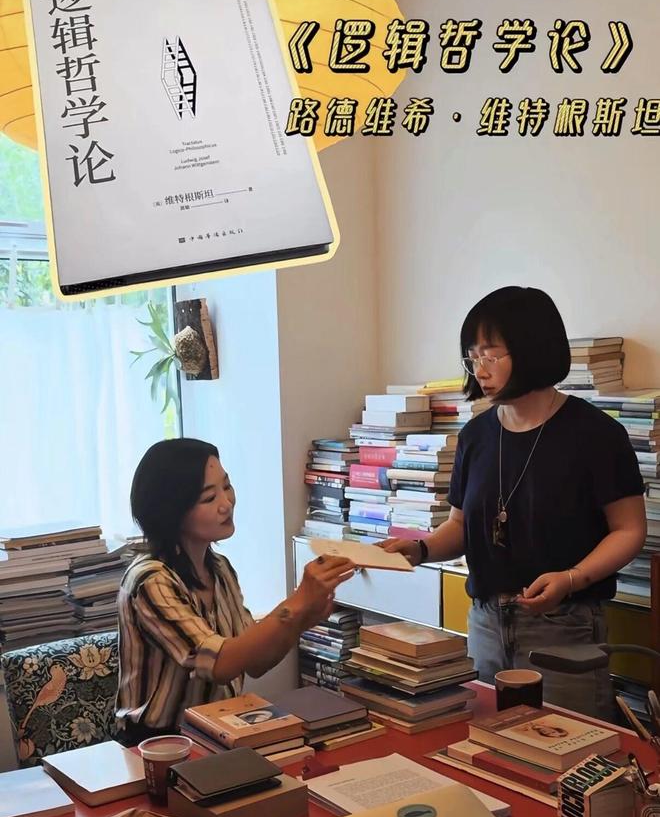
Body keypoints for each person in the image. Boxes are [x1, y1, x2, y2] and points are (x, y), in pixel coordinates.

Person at [383, 286, 646, 719]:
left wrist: (571, 578)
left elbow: (630, 530)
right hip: (486, 620)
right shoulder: (476, 436)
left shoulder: (595, 434)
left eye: (490, 355)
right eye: (472, 357)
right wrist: (420, 549)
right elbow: (461, 526)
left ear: (532, 349)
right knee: (490, 741)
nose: (479, 369)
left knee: (566, 744)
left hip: (563, 624)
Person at [116, 438, 354, 744]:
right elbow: (219, 665)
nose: (226, 503)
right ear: (173, 510)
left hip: (217, 730)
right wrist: (296, 602)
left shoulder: (219, 568)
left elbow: (255, 662)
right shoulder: (150, 580)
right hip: (157, 743)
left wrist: (303, 618)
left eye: (227, 486)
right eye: (208, 497)